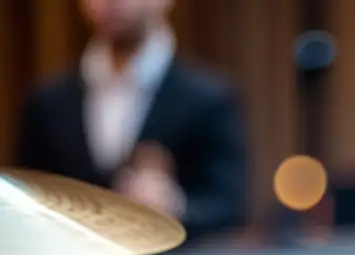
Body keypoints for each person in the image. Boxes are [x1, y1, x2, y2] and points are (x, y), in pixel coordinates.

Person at [17, 0, 247, 238]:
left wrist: (176, 206)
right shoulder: (47, 101)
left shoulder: (209, 98)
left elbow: (229, 206)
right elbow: (26, 201)